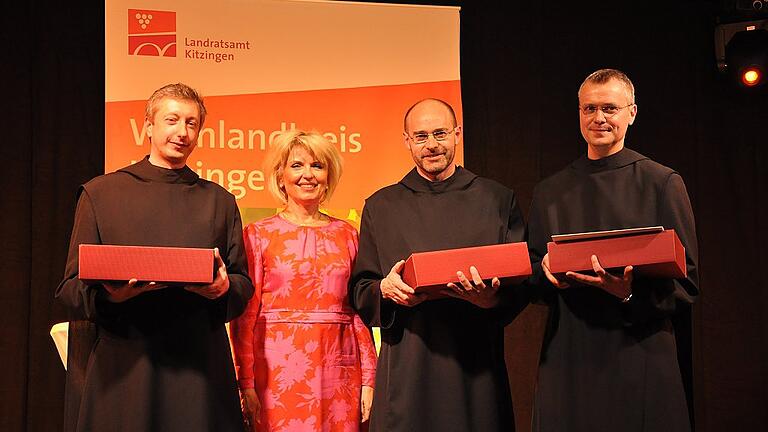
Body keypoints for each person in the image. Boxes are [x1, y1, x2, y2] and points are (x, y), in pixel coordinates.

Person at [56, 83, 254, 432]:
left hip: (199, 367)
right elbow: (70, 290)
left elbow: (242, 285)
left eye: (192, 123)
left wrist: (223, 288)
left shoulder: (219, 201)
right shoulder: (101, 193)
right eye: (172, 120)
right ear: (148, 125)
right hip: (127, 367)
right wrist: (110, 295)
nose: (182, 132)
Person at [527, 69, 699, 431]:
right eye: (589, 109)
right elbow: (532, 278)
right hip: (569, 356)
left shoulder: (661, 183)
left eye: (610, 108)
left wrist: (629, 293)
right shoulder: (549, 191)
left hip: (639, 352)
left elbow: (687, 284)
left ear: (631, 113)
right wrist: (546, 275)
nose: (598, 118)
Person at [349, 98, 526, 431]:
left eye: (440, 133)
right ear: (406, 141)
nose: (431, 145)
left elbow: (522, 282)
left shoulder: (498, 199)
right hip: (409, 366)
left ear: (457, 134)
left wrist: (492, 299)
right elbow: (361, 288)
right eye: (421, 136)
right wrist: (385, 289)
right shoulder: (381, 205)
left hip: (476, 368)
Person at [230, 130, 377, 431]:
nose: (307, 175)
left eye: (317, 166)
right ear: (280, 177)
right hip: (276, 375)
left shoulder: (347, 234)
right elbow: (245, 318)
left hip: (340, 373)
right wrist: (245, 382)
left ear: (328, 176)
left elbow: (360, 312)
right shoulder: (258, 234)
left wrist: (370, 378)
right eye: (297, 165)